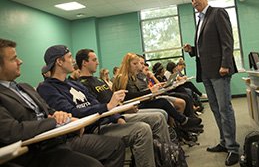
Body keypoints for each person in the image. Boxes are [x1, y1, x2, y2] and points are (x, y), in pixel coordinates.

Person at [0, 38, 125, 167]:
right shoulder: (45, 87)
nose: (20, 61)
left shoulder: (24, 87)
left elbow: (50, 110)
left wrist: (61, 116)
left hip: (58, 139)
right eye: (13, 59)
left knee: (113, 147)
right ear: (59, 62)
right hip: (36, 151)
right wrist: (57, 120)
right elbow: (12, 132)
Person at [37, 45, 156, 167]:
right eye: (70, 57)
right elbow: (71, 112)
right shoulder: (47, 88)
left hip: (100, 123)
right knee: (141, 130)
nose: (73, 61)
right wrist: (108, 107)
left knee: (151, 122)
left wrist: (116, 117)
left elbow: (96, 103)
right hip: (86, 131)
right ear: (59, 62)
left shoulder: (75, 84)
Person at [183, 0, 240, 166]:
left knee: (224, 109)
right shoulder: (200, 20)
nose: (194, 2)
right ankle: (224, 142)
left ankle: (233, 148)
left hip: (219, 70)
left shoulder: (217, 13)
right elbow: (206, 47)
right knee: (215, 109)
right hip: (206, 72)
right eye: (191, 0)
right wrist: (192, 50)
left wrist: (225, 64)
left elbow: (227, 41)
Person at [76, 48, 170, 143]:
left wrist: (125, 108)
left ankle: (165, 150)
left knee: (160, 116)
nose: (97, 63)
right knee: (147, 126)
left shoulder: (99, 81)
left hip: (120, 112)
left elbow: (115, 100)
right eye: (94, 60)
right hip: (107, 121)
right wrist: (117, 117)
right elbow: (98, 107)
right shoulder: (82, 85)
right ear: (84, 63)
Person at [112, 53, 202, 130]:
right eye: (134, 64)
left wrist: (150, 92)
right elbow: (127, 96)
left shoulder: (132, 77)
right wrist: (150, 91)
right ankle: (183, 122)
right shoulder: (122, 78)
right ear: (127, 65)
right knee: (163, 102)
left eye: (138, 63)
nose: (137, 66)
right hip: (132, 106)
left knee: (166, 101)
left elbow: (136, 94)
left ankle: (182, 124)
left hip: (138, 102)